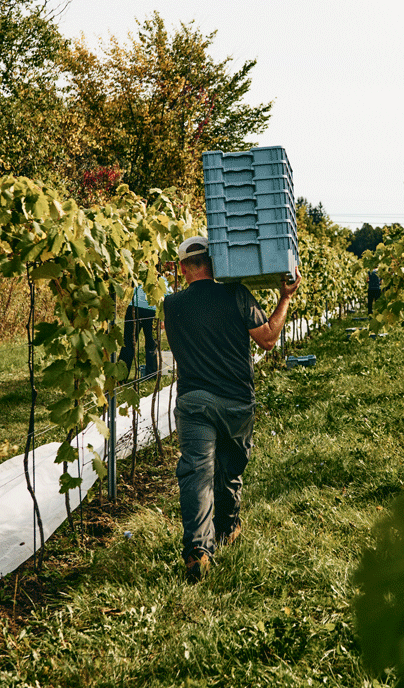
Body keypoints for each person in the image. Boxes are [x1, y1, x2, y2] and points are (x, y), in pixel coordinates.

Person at [163, 235, 301, 582]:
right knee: (230, 471)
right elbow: (268, 339)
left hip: (194, 402)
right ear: (217, 261)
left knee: (197, 473)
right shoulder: (237, 294)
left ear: (183, 268)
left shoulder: (171, 305)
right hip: (237, 402)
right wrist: (285, 298)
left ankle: (198, 549)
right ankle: (227, 528)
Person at [121, 285, 159, 379]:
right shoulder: (164, 278)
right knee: (150, 344)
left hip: (137, 308)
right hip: (147, 310)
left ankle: (121, 377)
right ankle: (151, 376)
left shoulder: (143, 274)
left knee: (129, 343)